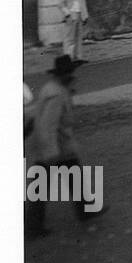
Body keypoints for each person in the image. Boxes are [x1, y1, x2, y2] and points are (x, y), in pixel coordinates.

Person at [24, 54, 94, 237]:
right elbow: (49, 126)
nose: (72, 75)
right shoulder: (56, 93)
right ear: (64, 74)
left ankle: (85, 210)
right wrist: (51, 153)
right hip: (54, 146)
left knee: (72, 175)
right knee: (42, 186)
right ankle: (32, 227)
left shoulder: (54, 88)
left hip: (56, 144)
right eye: (69, 72)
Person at [60, 0, 90, 64]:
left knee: (78, 36)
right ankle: (69, 57)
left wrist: (85, 16)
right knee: (69, 38)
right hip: (71, 15)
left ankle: (78, 57)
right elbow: (60, 4)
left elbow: (83, 3)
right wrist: (67, 13)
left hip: (79, 14)